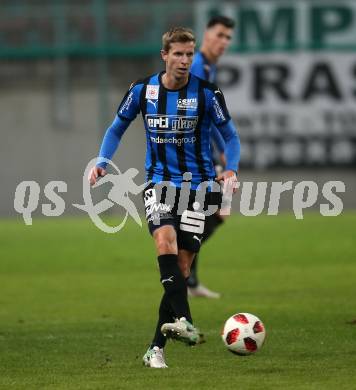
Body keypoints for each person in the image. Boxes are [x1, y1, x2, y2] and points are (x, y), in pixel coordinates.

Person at [88, 27, 240, 368]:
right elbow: (116, 128)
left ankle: (155, 347)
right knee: (165, 242)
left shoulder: (207, 93)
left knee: (182, 268)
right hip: (159, 184)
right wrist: (102, 161)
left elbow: (230, 136)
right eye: (178, 54)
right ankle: (185, 320)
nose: (185, 61)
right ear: (165, 56)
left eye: (189, 54)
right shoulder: (142, 90)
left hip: (198, 188)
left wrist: (231, 168)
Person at [187, 15, 235, 298]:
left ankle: (188, 273)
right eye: (220, 35)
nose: (224, 42)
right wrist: (222, 154)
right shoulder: (195, 66)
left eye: (228, 37)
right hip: (195, 153)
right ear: (207, 34)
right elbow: (203, 117)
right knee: (216, 210)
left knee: (214, 211)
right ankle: (184, 265)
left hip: (204, 151)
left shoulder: (207, 65)